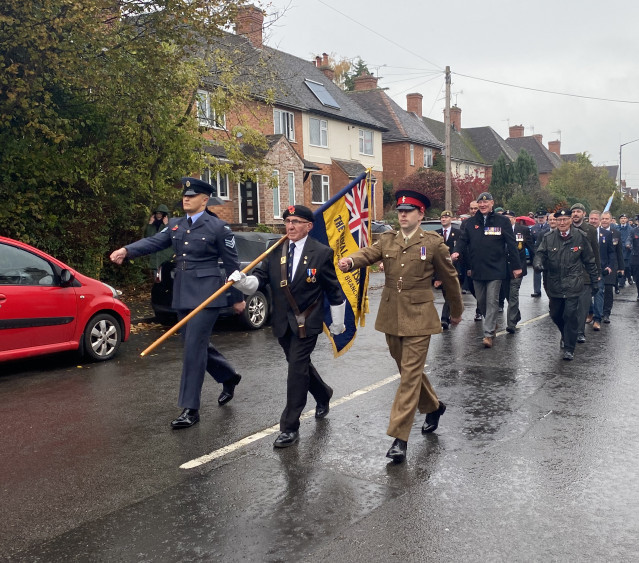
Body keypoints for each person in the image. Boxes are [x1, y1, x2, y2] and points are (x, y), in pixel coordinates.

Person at [338, 190, 463, 463]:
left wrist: (456, 310)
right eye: (400, 210)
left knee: (408, 377)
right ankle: (434, 406)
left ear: (421, 215)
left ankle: (399, 438)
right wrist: (350, 262)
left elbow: (450, 279)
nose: (403, 214)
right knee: (408, 370)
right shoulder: (388, 239)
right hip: (391, 315)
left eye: (409, 211)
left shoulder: (433, 243)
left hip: (420, 317)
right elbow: (368, 254)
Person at [110, 177, 245, 429]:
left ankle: (190, 409)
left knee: (193, 348)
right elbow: (153, 243)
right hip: (182, 292)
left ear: (204, 200)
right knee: (194, 343)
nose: (186, 198)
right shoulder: (174, 225)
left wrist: (237, 299)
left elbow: (232, 267)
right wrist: (127, 251)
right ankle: (228, 375)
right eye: (185, 195)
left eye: (192, 196)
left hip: (208, 295)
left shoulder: (218, 228)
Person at [230, 205, 347, 448]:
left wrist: (337, 321)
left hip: (308, 321)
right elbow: (260, 280)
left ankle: (289, 427)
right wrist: (243, 281)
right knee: (299, 365)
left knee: (296, 370)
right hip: (283, 322)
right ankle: (323, 393)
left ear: (308, 226)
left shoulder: (321, 252)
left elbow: (333, 288)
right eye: (287, 221)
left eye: (295, 221)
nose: (290, 226)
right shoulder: (275, 249)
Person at [453, 192, 522, 348]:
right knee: (482, 301)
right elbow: (463, 240)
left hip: (496, 269)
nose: (483, 205)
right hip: (478, 269)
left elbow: (512, 245)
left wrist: (516, 267)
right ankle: (491, 323)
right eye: (480, 203)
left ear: (492, 203)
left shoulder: (502, 221)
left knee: (492, 301)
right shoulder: (470, 222)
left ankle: (488, 334)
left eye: (486, 202)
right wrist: (456, 251)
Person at [533, 209, 598, 361]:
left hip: (574, 283)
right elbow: (540, 254)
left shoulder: (580, 237)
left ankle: (569, 347)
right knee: (555, 314)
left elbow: (589, 260)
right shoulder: (549, 238)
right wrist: (537, 263)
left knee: (570, 315)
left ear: (570, 221)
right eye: (559, 220)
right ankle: (565, 333)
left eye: (565, 220)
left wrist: (595, 281)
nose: (562, 223)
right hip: (554, 283)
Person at [570, 203, 600, 343]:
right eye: (573, 212)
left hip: (585, 274)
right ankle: (570, 331)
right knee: (571, 306)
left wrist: (596, 273)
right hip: (568, 274)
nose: (575, 214)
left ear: (584, 214)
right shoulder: (566, 228)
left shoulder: (590, 230)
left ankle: (580, 331)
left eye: (578, 211)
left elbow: (595, 253)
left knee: (583, 305)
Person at [435, 210, 461, 330]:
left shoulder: (458, 233)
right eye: (442, 217)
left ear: (451, 219)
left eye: (446, 217)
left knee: (450, 294)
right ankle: (450, 314)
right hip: (440, 269)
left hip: (454, 269)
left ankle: (444, 318)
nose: (443, 219)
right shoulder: (436, 234)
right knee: (447, 295)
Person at [599, 211, 624, 324]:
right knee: (597, 291)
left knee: (608, 290)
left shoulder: (616, 233)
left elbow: (619, 252)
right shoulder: (595, 232)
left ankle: (606, 313)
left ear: (610, 220)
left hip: (611, 266)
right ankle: (596, 312)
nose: (604, 220)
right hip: (598, 266)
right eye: (603, 218)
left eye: (606, 219)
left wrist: (621, 268)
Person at [143, 204, 174, 278]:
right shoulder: (153, 225)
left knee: (168, 280)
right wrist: (150, 224)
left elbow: (172, 237)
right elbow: (148, 238)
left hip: (166, 258)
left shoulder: (171, 224)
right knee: (157, 280)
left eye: (160, 213)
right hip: (155, 258)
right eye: (157, 213)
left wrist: (166, 225)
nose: (158, 215)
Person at [529, 212, 549, 298]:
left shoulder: (549, 227)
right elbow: (531, 242)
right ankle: (537, 291)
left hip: (548, 254)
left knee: (547, 275)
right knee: (536, 272)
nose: (540, 219)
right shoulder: (534, 228)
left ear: (546, 218)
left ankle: (549, 291)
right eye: (539, 217)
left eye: (542, 217)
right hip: (537, 253)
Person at [616, 214, 634, 288]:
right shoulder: (616, 228)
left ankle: (629, 276)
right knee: (620, 266)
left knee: (627, 266)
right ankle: (621, 281)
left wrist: (630, 246)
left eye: (624, 218)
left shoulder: (630, 229)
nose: (623, 220)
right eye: (622, 218)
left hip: (627, 250)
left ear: (627, 220)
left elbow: (632, 239)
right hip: (619, 249)